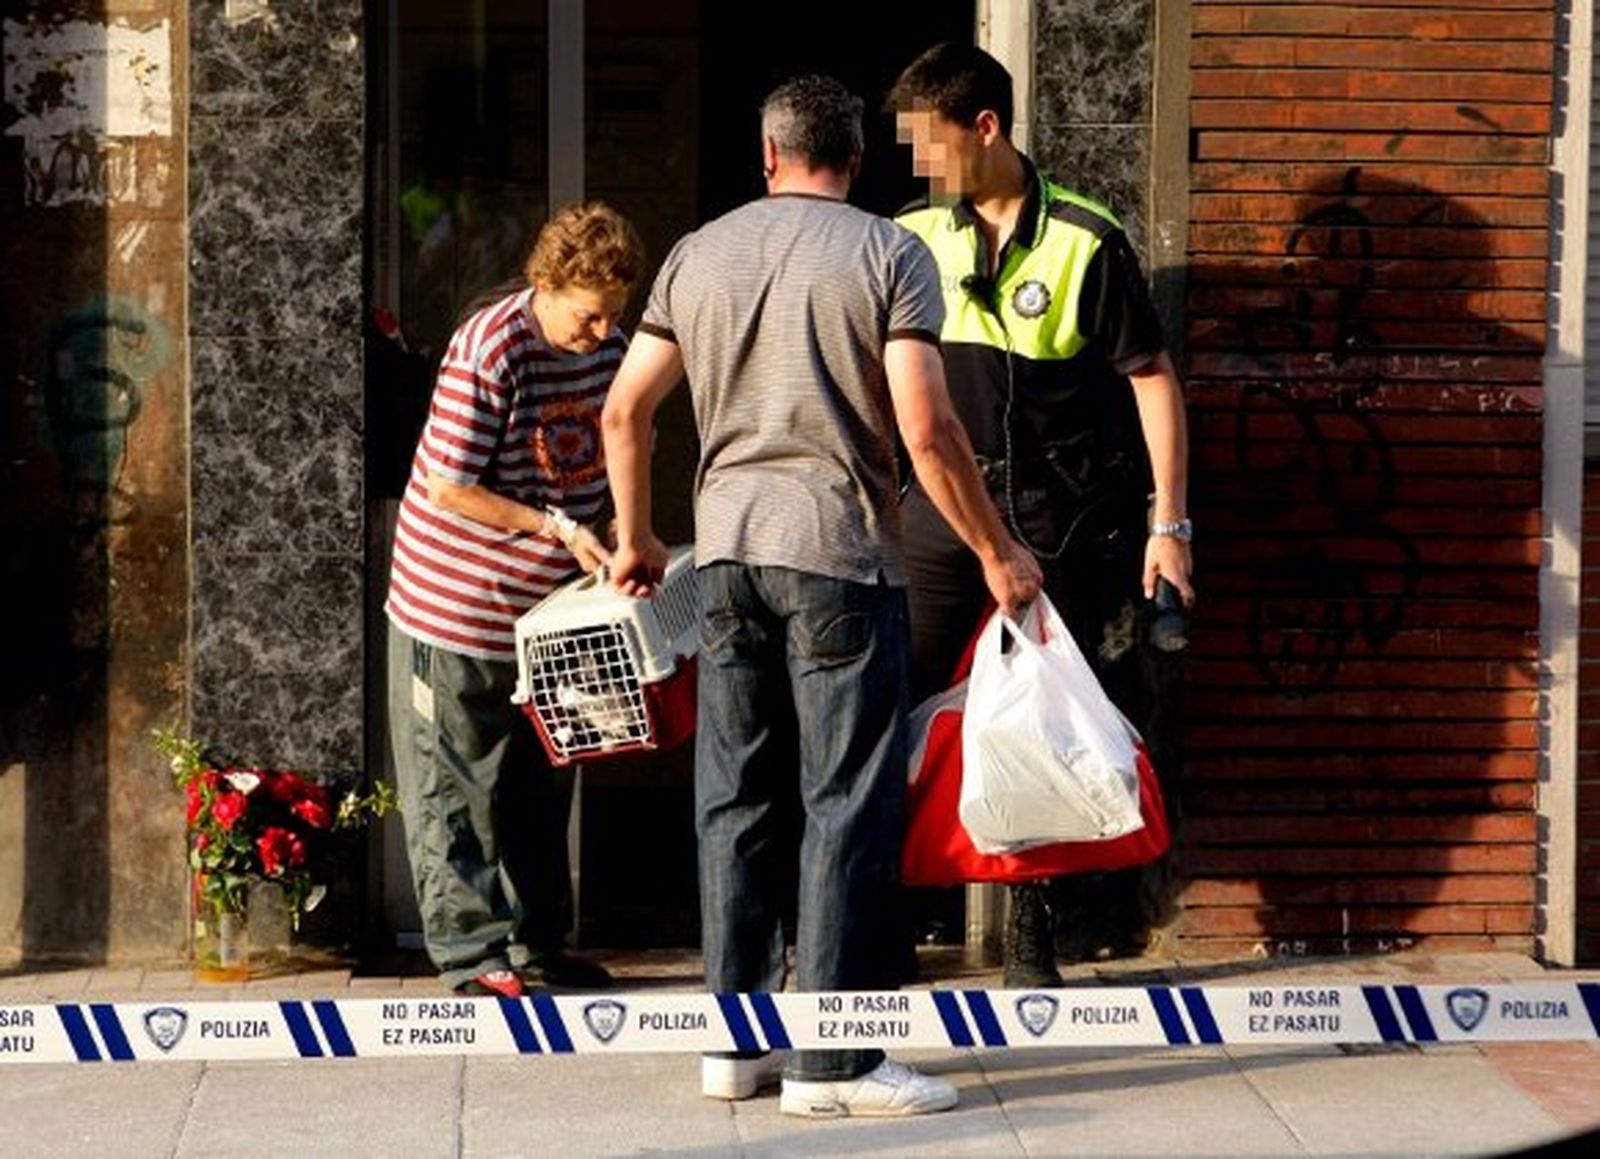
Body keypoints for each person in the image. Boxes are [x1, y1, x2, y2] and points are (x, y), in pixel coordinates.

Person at [601, 75, 1041, 1118]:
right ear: (856, 157)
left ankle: (734, 1045)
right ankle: (832, 1062)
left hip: (725, 556)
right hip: (839, 554)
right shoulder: (892, 255)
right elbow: (926, 432)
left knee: (734, 797)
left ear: (767, 156)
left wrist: (636, 538)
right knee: (844, 803)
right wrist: (995, 548)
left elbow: (625, 412)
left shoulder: (696, 254)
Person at [887, 42, 1196, 988]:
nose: (919, 168)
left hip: (1058, 516)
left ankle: (1031, 926)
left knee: (1044, 722)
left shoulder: (1087, 239)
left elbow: (1151, 379)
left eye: (930, 146)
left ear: (987, 128)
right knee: (889, 713)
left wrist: (1169, 524)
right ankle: (889, 915)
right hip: (940, 513)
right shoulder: (907, 236)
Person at [384, 201, 644, 998]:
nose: (602, 334)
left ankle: (537, 944)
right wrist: (556, 525)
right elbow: (450, 485)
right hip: (454, 603)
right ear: (546, 283)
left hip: (550, 612)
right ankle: (471, 953)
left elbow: (628, 434)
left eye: (614, 317)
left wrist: (628, 533)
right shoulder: (492, 344)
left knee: (542, 779)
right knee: (452, 782)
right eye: (588, 315)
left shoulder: (612, 346)